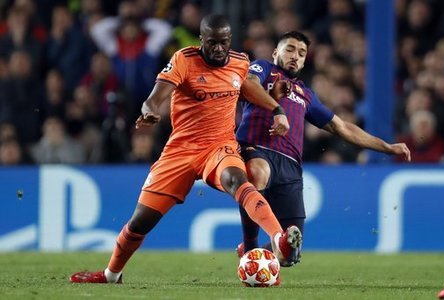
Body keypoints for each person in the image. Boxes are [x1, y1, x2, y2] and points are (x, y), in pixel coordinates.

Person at [70, 14, 301, 284]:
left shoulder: (240, 62)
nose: (218, 48)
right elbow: (156, 97)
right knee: (140, 222)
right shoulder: (184, 59)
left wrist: (275, 107)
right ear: (201, 40)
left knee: (237, 179)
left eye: (223, 42)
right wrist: (150, 111)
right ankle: (111, 274)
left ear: (230, 41)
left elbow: (247, 88)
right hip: (180, 151)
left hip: (219, 145)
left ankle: (279, 239)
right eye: (212, 42)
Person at [235, 31, 411, 263]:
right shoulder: (264, 69)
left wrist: (387, 147)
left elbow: (343, 127)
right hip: (255, 147)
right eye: (289, 49)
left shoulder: (306, 95)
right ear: (276, 52)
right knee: (258, 172)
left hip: (290, 167)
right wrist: (276, 109)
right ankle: (250, 248)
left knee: (290, 253)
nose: (295, 56)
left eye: (301, 53)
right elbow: (248, 84)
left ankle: (255, 254)